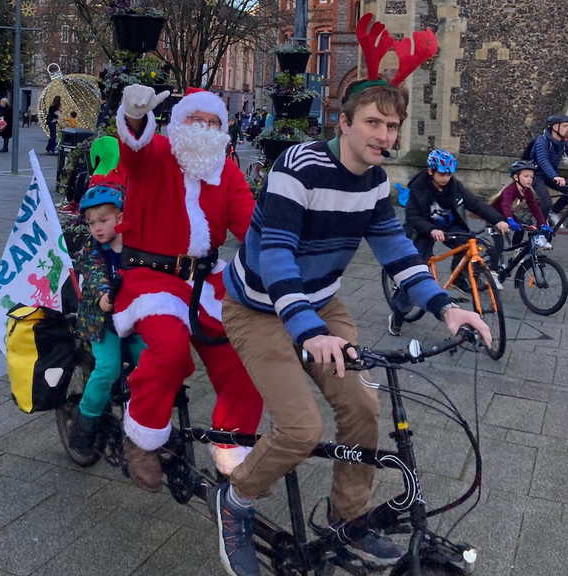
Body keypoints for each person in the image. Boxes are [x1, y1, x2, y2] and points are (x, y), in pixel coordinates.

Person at [211, 15, 495, 575]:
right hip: (259, 307)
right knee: (300, 428)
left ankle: (348, 520)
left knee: (364, 408)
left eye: (393, 126)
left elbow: (397, 253)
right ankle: (236, 501)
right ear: (343, 124)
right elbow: (276, 256)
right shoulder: (300, 167)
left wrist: (447, 306)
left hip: (320, 304)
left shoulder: (375, 185)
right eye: (373, 122)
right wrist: (308, 331)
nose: (385, 136)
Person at [112, 84, 264, 492]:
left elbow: (250, 226)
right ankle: (142, 436)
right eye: (195, 121)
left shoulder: (226, 171)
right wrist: (134, 116)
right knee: (170, 348)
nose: (204, 129)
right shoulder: (157, 153)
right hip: (152, 278)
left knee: (246, 352)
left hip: (207, 280)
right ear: (178, 124)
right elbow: (134, 148)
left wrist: (283, 261)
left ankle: (232, 446)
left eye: (213, 123)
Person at [389, 149, 510, 335]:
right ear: (431, 171)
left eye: (449, 174)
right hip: (423, 230)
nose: (446, 178)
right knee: (415, 274)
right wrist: (431, 230)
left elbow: (476, 204)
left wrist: (498, 219)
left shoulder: (454, 186)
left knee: (470, 244)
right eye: (442, 174)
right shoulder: (418, 188)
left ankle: (458, 278)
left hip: (450, 226)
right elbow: (413, 216)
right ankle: (398, 315)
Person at [67, 181, 146, 465]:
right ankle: (83, 423)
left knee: (152, 362)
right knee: (108, 368)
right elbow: (95, 271)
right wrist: (103, 294)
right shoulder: (92, 250)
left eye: (104, 220)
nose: (97, 228)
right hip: (102, 322)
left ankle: (143, 420)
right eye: (91, 223)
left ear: (121, 218)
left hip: (134, 320)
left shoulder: (135, 245)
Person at [489, 160, 554, 268]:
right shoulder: (510, 190)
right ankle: (492, 270)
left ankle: (514, 250)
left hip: (506, 215)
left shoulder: (527, 191)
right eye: (526, 176)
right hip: (494, 215)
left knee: (521, 228)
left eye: (531, 177)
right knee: (499, 244)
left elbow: (534, 208)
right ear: (516, 177)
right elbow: (505, 205)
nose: (529, 179)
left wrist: (543, 224)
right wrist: (510, 219)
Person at [529, 114, 568, 225]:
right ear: (555, 127)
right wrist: (554, 176)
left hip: (549, 175)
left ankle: (553, 212)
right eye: (565, 126)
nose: (567, 129)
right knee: (546, 201)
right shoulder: (542, 140)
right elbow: (543, 160)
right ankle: (539, 231)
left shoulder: (563, 143)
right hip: (535, 174)